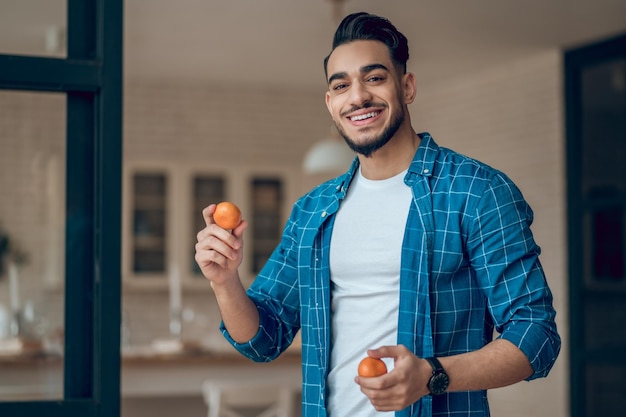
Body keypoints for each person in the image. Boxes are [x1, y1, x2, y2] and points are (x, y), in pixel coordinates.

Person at [195, 11, 561, 417]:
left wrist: (431, 375)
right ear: (330, 103)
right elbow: (263, 339)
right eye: (341, 85)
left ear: (407, 86)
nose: (358, 97)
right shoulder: (312, 211)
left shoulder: (477, 191)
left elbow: (536, 334)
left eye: (374, 78)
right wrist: (225, 280)